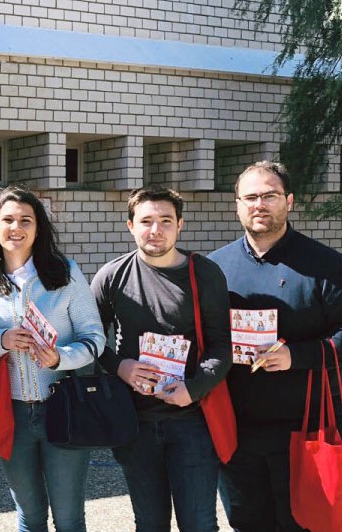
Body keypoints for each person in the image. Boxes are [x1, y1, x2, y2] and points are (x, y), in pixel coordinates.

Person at [209, 161, 342, 532]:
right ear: (237, 204)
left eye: (270, 195)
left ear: (290, 201)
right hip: (235, 428)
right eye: (250, 197)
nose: (259, 204)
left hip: (306, 427)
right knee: (247, 522)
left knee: (304, 523)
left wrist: (295, 356)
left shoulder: (327, 266)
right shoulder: (213, 268)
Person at [91, 186, 232, 532]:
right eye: (147, 221)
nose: (156, 230)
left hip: (192, 420)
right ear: (130, 226)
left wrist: (194, 389)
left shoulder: (205, 274)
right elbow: (91, 339)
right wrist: (119, 367)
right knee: (150, 523)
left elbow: (222, 348)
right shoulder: (111, 276)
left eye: (165, 221)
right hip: (133, 421)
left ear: (180, 225)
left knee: (198, 523)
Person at [0, 187, 106, 532]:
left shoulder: (66, 273)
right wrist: (1, 341)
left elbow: (95, 338)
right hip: (11, 412)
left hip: (64, 406)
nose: (16, 228)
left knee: (69, 517)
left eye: (25, 220)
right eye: (8, 220)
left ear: (38, 228)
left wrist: (60, 357)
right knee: (29, 515)